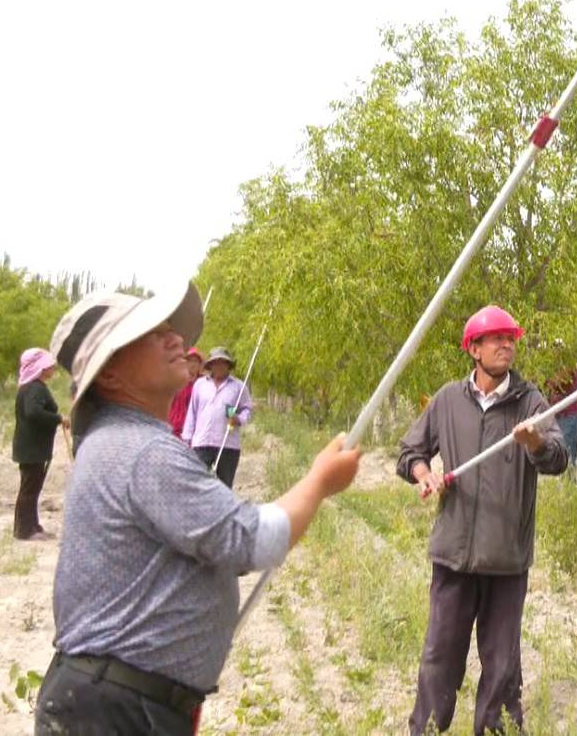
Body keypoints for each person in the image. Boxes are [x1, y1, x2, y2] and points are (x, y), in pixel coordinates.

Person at [34, 283, 358, 736]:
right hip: (117, 712)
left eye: (170, 331)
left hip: (114, 702)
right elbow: (250, 540)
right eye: (152, 335)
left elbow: (209, 543)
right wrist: (320, 482)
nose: (175, 341)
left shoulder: (119, 442)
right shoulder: (142, 450)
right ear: (109, 375)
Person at [397, 305, 568, 735]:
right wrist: (425, 474)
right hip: (453, 554)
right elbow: (409, 452)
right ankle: (428, 730)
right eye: (495, 338)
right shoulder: (447, 400)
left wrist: (534, 444)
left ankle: (497, 731)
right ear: (473, 348)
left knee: (503, 665)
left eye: (510, 338)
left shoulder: (530, 403)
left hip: (507, 558)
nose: (506, 344)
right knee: (440, 658)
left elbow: (559, 458)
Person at [13, 347, 69, 541]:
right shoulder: (34, 388)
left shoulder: (32, 387)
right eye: (48, 365)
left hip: (33, 446)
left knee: (33, 487)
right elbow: (33, 412)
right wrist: (58, 418)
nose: (52, 368)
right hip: (31, 446)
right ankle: (24, 530)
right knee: (29, 488)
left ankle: (32, 525)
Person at [181, 346, 253, 487]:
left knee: (224, 488)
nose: (219, 365)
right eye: (216, 362)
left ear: (228, 365)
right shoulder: (200, 385)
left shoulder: (238, 387)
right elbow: (192, 413)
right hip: (201, 444)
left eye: (223, 362)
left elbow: (247, 410)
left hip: (227, 445)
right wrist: (186, 439)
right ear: (211, 365)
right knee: (197, 486)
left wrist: (238, 419)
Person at [543, 356, 577, 471]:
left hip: (569, 414)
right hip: (558, 414)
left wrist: (545, 379)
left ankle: (569, 486)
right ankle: (564, 485)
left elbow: (559, 382)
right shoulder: (554, 365)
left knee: (568, 454)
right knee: (558, 452)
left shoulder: (568, 364)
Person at [167, 347, 203, 441]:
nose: (192, 365)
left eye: (196, 361)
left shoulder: (203, 385)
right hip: (173, 428)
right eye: (189, 360)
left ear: (200, 365)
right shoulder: (175, 381)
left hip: (195, 432)